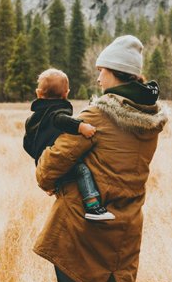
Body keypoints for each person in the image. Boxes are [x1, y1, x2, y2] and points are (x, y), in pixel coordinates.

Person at [33, 35, 168, 282]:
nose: (97, 77)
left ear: (117, 73)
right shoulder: (149, 120)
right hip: (124, 228)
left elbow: (50, 166)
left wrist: (48, 175)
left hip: (81, 228)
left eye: (102, 70)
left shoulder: (96, 116)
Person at [23, 68, 115, 221]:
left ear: (38, 93)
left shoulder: (32, 120)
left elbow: (27, 144)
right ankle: (93, 206)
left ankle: (55, 184)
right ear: (66, 93)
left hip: (43, 162)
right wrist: (81, 127)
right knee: (82, 170)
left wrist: (40, 157)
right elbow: (61, 120)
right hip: (56, 159)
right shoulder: (56, 111)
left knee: (65, 180)